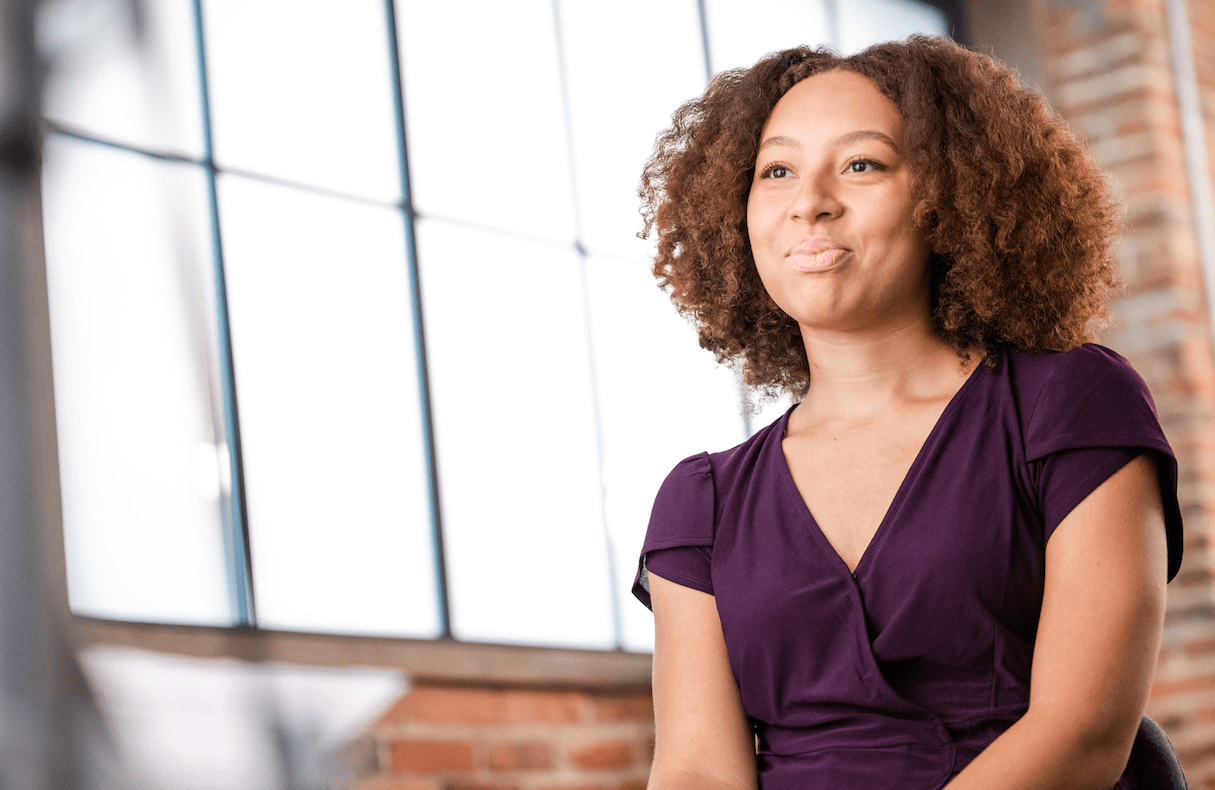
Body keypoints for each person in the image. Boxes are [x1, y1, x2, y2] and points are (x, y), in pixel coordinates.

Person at [631, 35, 1184, 790]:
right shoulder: (702, 503)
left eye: (861, 165)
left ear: (950, 198)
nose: (810, 203)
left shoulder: (1068, 403)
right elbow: (695, 769)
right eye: (776, 171)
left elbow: (1081, 733)